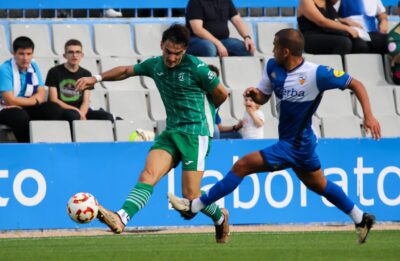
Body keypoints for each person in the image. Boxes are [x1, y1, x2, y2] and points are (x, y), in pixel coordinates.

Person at [168, 28, 381, 244]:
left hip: (296, 144)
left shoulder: (316, 74)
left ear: (286, 51)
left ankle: (193, 207)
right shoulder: (273, 67)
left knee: (242, 166)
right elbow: (264, 96)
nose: (272, 50)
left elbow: (356, 84)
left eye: (275, 46)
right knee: (319, 184)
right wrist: (255, 95)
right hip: (297, 142)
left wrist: (369, 116)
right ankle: (361, 218)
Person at [76, 24, 230, 243]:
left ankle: (220, 217)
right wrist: (96, 78)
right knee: (148, 175)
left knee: (191, 196)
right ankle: (121, 217)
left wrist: (206, 114)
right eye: (168, 52)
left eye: (178, 53)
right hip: (172, 132)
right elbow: (127, 71)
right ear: (162, 46)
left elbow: (222, 94)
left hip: (195, 134)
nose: (172, 58)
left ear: (185, 50)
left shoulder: (197, 67)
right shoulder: (155, 65)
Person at [0, 36, 64, 142]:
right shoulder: (5, 69)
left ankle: (47, 142)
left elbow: (42, 94)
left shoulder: (33, 65)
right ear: (14, 53)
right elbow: (10, 101)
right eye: (21, 54)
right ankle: (27, 147)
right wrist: (36, 100)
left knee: (54, 109)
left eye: (29, 54)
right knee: (20, 116)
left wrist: (32, 101)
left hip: (26, 106)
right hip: (5, 109)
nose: (25, 58)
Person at [45, 39, 113, 123]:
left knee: (107, 117)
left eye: (77, 52)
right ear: (64, 55)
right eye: (70, 52)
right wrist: (76, 111)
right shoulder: (54, 72)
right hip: (62, 111)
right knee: (73, 115)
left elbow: (86, 100)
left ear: (82, 55)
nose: (74, 55)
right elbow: (54, 100)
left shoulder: (86, 73)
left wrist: (82, 113)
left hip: (81, 111)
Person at [185, 0, 256, 57]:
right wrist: (218, 44)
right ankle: (210, 73)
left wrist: (246, 37)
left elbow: (237, 20)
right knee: (210, 48)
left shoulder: (226, 1)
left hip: (223, 40)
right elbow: (197, 30)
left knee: (246, 48)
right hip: (198, 40)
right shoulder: (195, 2)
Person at [297, 0, 369, 55]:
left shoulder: (328, 2)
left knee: (360, 43)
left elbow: (333, 19)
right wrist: (347, 28)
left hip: (328, 33)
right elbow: (321, 21)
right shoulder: (306, 1)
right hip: (310, 37)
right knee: (343, 42)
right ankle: (336, 72)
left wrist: (345, 21)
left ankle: (355, 71)